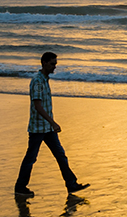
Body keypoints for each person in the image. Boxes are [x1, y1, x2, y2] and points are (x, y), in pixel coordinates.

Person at [14, 52, 89, 197]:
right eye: (52, 64)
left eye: (55, 63)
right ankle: (20, 187)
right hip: (38, 128)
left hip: (47, 129)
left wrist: (51, 125)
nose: (55, 67)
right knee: (31, 158)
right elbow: (38, 106)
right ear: (44, 63)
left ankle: (71, 184)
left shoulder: (45, 80)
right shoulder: (37, 82)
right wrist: (53, 122)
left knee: (61, 155)